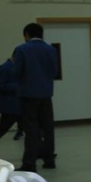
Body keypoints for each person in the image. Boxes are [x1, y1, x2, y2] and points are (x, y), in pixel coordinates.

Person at [12, 23, 58, 172]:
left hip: (28, 94)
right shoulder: (50, 49)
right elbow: (54, 71)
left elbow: (17, 72)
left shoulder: (21, 50)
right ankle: (49, 159)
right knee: (48, 127)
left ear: (26, 34)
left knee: (31, 129)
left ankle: (30, 163)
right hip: (46, 94)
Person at [0, 57, 22, 141]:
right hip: (10, 105)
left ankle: (40, 149)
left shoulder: (15, 67)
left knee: (32, 128)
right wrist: (17, 86)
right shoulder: (5, 68)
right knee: (3, 128)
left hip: (18, 104)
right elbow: (0, 85)